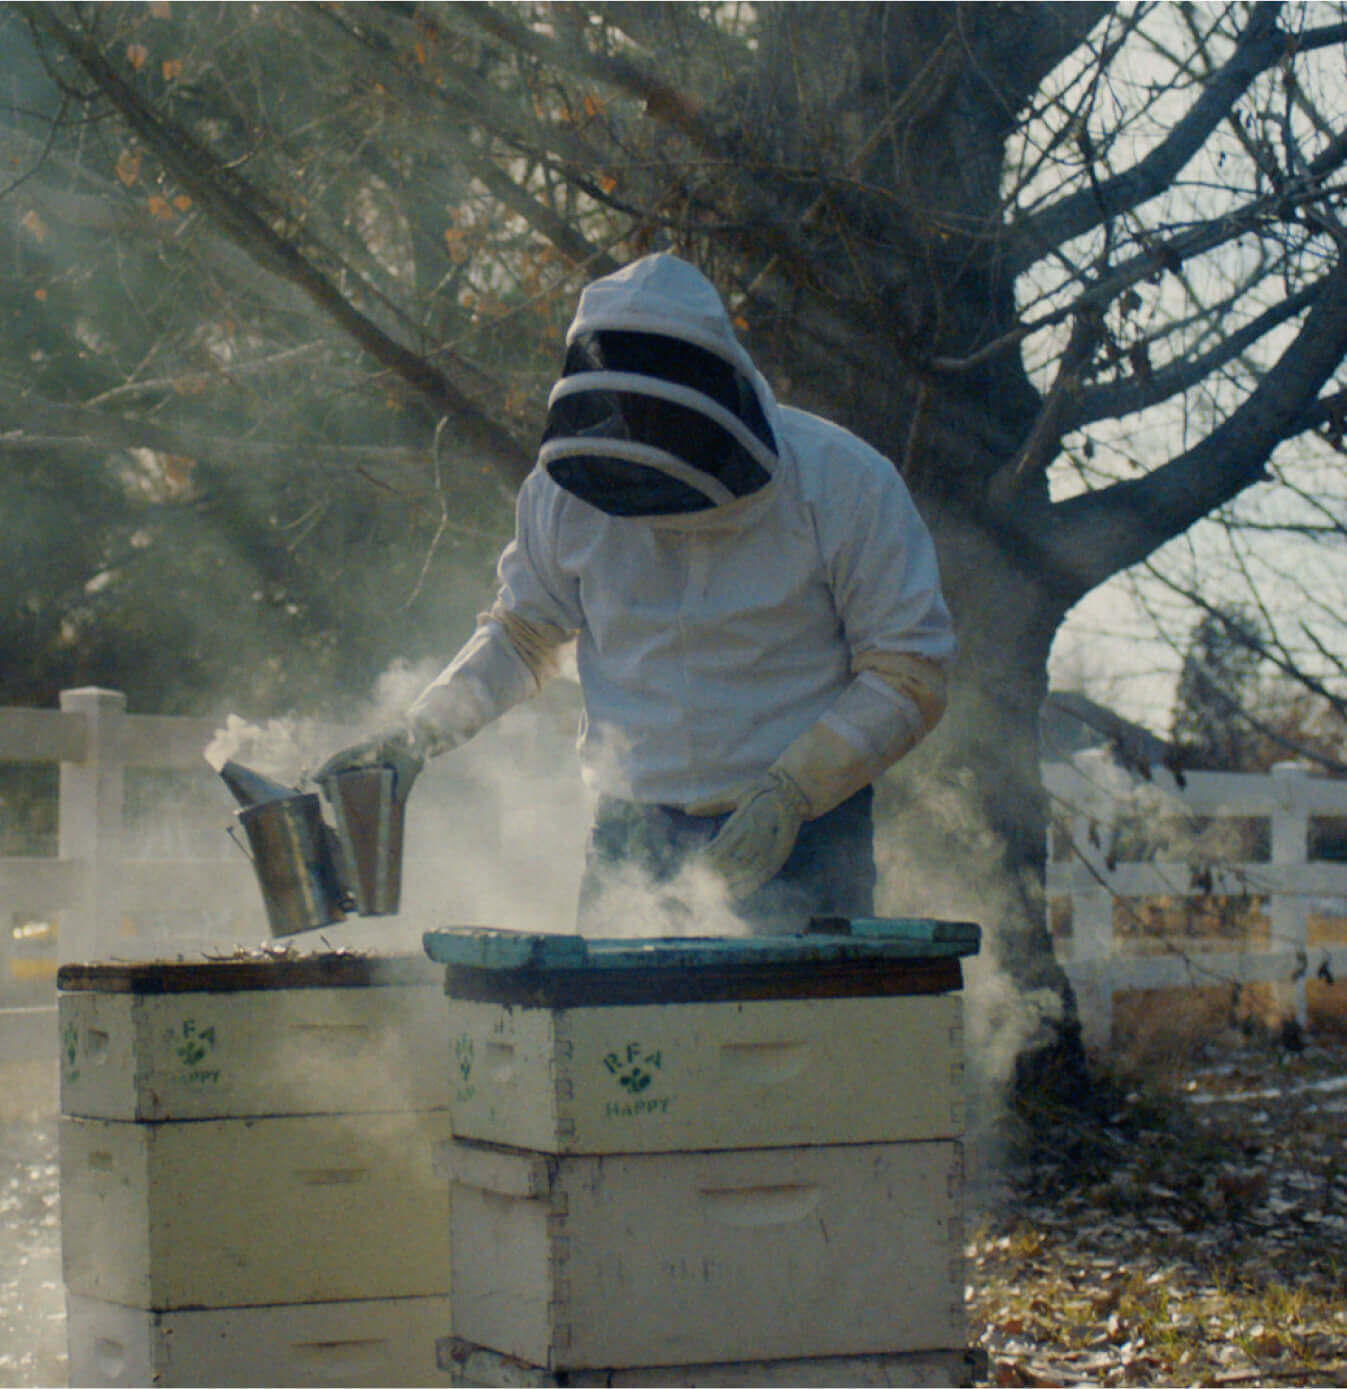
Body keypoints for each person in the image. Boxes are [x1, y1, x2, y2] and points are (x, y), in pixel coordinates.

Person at [318, 253, 955, 934]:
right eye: (630, 408)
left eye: (662, 411)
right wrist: (417, 732)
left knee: (782, 1031)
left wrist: (796, 789)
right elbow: (522, 637)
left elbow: (907, 668)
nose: (644, 427)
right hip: (631, 834)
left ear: (709, 384)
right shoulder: (564, 491)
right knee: (618, 1039)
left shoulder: (842, 481)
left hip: (802, 836)